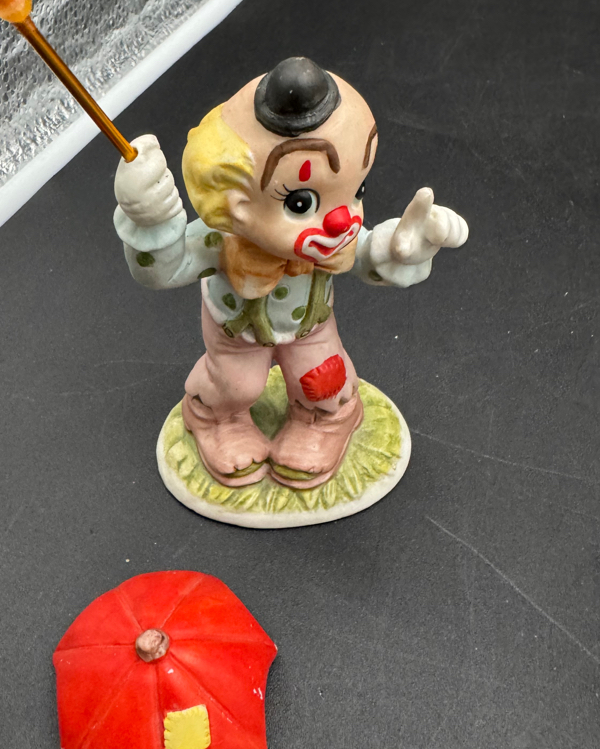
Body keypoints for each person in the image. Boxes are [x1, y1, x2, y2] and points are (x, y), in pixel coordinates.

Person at [113, 57, 468, 489]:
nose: (343, 220)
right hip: (235, 335)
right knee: (236, 384)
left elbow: (368, 254)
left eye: (356, 189)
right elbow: (162, 271)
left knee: (322, 378)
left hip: (309, 329)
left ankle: (325, 421)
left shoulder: (335, 240)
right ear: (235, 204)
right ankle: (216, 417)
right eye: (300, 203)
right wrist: (153, 226)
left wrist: (403, 247)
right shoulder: (220, 240)